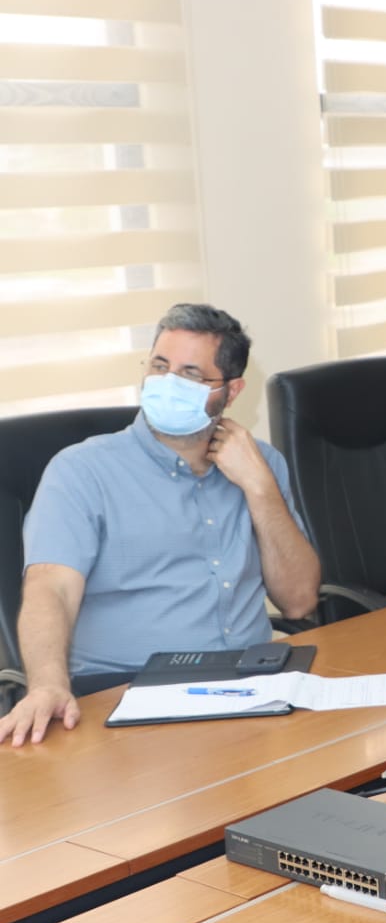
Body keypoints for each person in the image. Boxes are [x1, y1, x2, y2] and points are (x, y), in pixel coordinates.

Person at [0, 304, 321, 747]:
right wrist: (47, 686)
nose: (168, 383)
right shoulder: (81, 470)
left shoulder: (261, 463)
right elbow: (50, 587)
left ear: (231, 391)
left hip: (252, 685)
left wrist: (260, 488)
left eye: (190, 374)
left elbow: (299, 601)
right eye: (159, 366)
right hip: (124, 692)